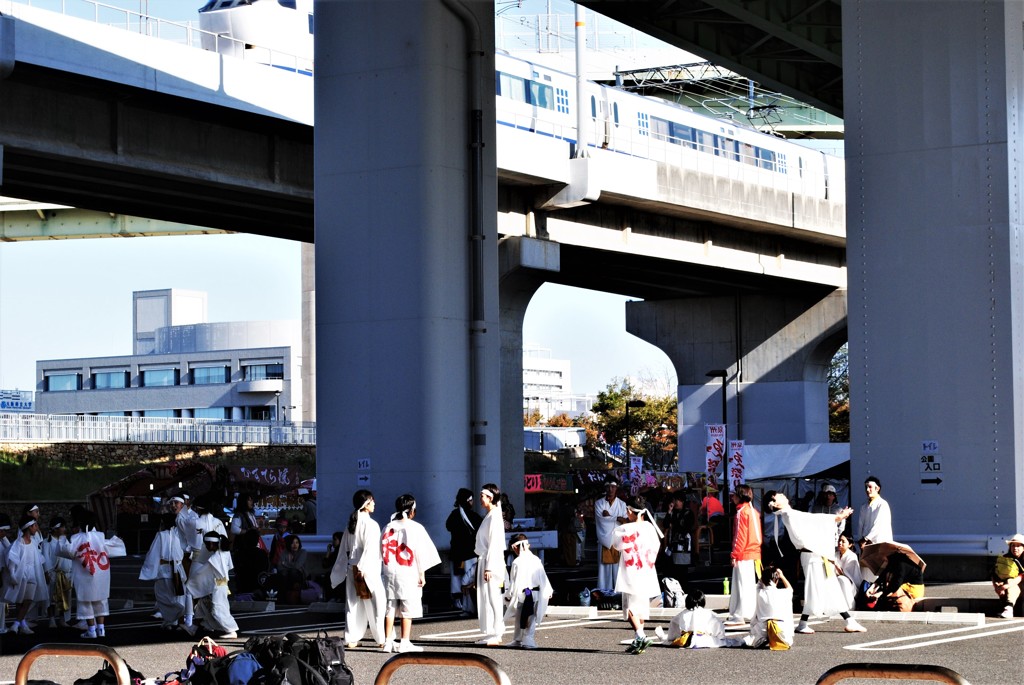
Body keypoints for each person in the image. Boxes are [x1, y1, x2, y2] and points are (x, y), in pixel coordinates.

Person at [765, 490, 866, 634]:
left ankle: (806, 623)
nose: (783, 495)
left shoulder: (789, 513)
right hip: (813, 555)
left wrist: (836, 518)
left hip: (814, 555)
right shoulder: (789, 514)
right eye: (779, 495)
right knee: (822, 588)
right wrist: (837, 518)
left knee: (820, 589)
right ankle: (848, 621)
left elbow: (813, 520)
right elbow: (815, 520)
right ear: (775, 503)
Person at [380, 493, 441, 654]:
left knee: (390, 606)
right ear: (412, 509)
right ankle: (405, 641)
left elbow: (381, 550)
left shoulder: (388, 527)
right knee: (407, 607)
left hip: (389, 571)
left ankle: (388, 641)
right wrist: (422, 574)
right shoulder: (416, 528)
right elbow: (421, 552)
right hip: (408, 571)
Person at [331, 489, 386, 649]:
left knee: (353, 604)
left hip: (352, 568)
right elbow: (370, 549)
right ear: (366, 503)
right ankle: (381, 638)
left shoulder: (350, 524)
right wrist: (362, 568)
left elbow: (343, 550)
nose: (374, 503)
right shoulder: (371, 524)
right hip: (367, 569)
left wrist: (345, 569)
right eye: (372, 500)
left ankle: (351, 638)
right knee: (377, 604)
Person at [59, 510, 126, 639]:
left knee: (85, 601)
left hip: (83, 574)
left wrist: (62, 539)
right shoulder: (100, 536)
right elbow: (112, 547)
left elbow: (67, 551)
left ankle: (91, 630)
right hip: (101, 574)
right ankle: (101, 629)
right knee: (100, 600)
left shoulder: (76, 538)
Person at [610, 495, 663, 655]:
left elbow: (616, 544)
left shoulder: (626, 528)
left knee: (630, 607)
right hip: (646, 570)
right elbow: (656, 546)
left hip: (631, 572)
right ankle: (637, 638)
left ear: (631, 511)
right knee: (641, 607)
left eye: (628, 509)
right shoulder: (650, 528)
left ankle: (640, 635)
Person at [140, 513, 190, 632]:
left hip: (165, 570)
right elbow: (186, 549)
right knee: (176, 595)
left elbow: (153, 553)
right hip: (177, 569)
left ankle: (176, 614)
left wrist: (149, 569)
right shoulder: (179, 534)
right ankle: (173, 620)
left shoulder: (161, 535)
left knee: (163, 596)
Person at [503, 534, 553, 649]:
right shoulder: (536, 560)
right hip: (534, 593)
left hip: (521, 593)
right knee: (531, 617)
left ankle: (520, 639)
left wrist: (509, 594)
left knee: (520, 617)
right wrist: (548, 590)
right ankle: (524, 639)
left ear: (515, 547)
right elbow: (543, 577)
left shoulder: (517, 562)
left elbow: (513, 581)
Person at [187, 532, 239, 639]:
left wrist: (191, 581)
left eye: (206, 544)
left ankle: (231, 629)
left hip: (218, 586)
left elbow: (202, 572)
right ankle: (194, 627)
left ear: (211, 544)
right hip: (220, 583)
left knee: (218, 609)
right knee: (202, 604)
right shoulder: (224, 553)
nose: (206, 547)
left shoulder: (215, 558)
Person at [474, 483, 507, 646]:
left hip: (491, 562)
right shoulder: (491, 515)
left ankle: (497, 631)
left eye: (482, 496)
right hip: (487, 560)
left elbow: (495, 543)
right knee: (487, 597)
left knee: (493, 597)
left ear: (491, 498)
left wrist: (489, 567)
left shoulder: (494, 516)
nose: (480, 499)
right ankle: (491, 631)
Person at [4, 515, 47, 635]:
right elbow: (12, 559)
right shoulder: (18, 543)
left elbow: (38, 558)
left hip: (32, 574)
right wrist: (13, 575)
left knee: (28, 600)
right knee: (20, 601)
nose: (37, 528)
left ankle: (16, 624)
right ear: (29, 527)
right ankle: (22, 625)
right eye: (35, 526)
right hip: (21, 574)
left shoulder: (33, 542)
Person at [725, 483, 761, 625]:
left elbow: (740, 536)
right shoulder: (753, 511)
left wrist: (734, 554)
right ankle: (747, 613)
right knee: (748, 585)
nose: (733, 497)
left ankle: (739, 615)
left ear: (740, 496)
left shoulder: (742, 512)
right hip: (753, 553)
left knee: (740, 585)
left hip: (744, 553)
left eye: (735, 495)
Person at [655, 589, 736, 648]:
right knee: (731, 642)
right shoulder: (707, 613)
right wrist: (721, 637)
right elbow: (718, 627)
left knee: (673, 640)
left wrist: (671, 638)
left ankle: (664, 637)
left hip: (686, 639)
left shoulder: (682, 613)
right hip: (703, 640)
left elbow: (673, 624)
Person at [742, 562, 795, 650]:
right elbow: (790, 588)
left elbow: (759, 584)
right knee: (788, 639)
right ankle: (778, 638)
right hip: (780, 629)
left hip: (763, 628)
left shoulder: (760, 592)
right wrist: (782, 576)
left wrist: (765, 573)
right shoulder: (783, 593)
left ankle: (762, 637)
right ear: (776, 580)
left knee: (756, 625)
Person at [445, 488, 482, 613]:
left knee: (457, 578)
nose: (472, 502)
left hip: (456, 552)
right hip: (470, 553)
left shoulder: (454, 515)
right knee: (470, 578)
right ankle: (468, 603)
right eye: (471, 500)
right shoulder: (474, 516)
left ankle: (457, 601)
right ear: (467, 500)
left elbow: (448, 526)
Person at [170, 494, 200, 630]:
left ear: (184, 503)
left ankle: (187, 619)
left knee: (185, 587)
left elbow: (189, 537)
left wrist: (190, 551)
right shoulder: (188, 515)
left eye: (176, 503)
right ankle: (188, 617)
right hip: (189, 554)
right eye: (172, 503)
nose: (173, 505)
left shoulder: (183, 517)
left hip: (187, 555)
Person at [594, 476, 628, 589]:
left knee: (618, 570)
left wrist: (611, 517)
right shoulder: (599, 504)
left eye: (613, 487)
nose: (610, 489)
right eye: (608, 487)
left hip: (618, 542)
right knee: (604, 571)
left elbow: (625, 521)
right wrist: (618, 518)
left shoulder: (622, 504)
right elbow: (602, 520)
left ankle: (617, 592)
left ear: (616, 488)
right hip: (605, 540)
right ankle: (604, 592)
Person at [43, 517, 73, 628]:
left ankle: (62, 619)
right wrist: (46, 572)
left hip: (65, 574)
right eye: (62, 527)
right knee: (51, 597)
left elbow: (70, 556)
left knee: (64, 597)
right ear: (56, 529)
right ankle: (51, 619)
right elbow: (45, 558)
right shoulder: (47, 543)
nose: (64, 529)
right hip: (53, 574)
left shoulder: (65, 540)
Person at [855, 476, 893, 548]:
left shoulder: (882, 504)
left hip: (879, 543)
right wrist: (860, 540)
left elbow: (878, 525)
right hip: (865, 544)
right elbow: (860, 525)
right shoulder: (864, 506)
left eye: (870, 487)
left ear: (877, 488)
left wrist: (866, 539)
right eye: (866, 487)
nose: (867, 490)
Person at [992, 533, 1024, 618]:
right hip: (1013, 587)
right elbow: (994, 574)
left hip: (1018, 585)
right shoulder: (1005, 559)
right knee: (1006, 583)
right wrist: (997, 587)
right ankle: (1008, 609)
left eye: (1018, 546)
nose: (1015, 548)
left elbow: (1022, 576)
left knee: (1010, 582)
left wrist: (1006, 586)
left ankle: (1008, 608)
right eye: (1013, 545)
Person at [232, 528, 270, 597]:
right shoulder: (262, 553)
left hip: (242, 586)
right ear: (257, 540)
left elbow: (236, 570)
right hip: (258, 586)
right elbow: (265, 569)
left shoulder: (239, 553)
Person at [274, 535, 309, 602]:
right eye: (292, 543)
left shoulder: (303, 552)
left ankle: (294, 595)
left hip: (300, 575)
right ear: (289, 543)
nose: (295, 545)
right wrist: (287, 566)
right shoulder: (284, 552)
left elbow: (297, 566)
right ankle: (285, 597)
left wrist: (285, 563)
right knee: (283, 573)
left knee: (293, 571)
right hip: (287, 574)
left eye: (297, 542)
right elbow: (279, 567)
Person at [834, 533, 863, 611]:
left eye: (843, 541)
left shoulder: (852, 556)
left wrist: (835, 565)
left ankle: (850, 606)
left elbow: (847, 576)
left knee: (842, 579)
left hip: (851, 585)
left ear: (850, 545)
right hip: (835, 580)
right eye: (839, 540)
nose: (840, 543)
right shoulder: (835, 555)